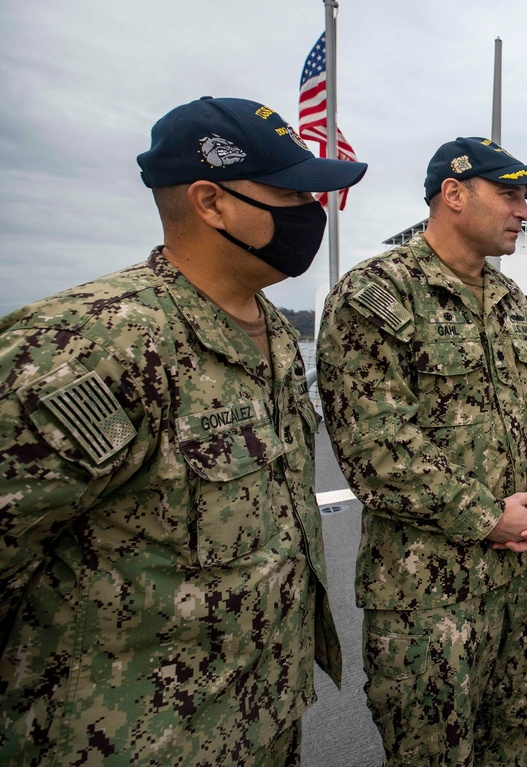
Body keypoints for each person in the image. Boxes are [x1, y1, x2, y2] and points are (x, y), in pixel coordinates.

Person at [0, 96, 367, 765]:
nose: (311, 211)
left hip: (263, 718)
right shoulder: (88, 345)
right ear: (211, 201)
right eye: (290, 192)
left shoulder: (275, 333)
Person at [317, 137, 527, 766]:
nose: (524, 212)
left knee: (522, 734)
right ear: (454, 195)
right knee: (432, 751)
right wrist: (488, 517)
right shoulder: (377, 295)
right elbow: (375, 446)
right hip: (428, 594)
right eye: (510, 194)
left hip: (524, 579)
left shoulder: (515, 307)